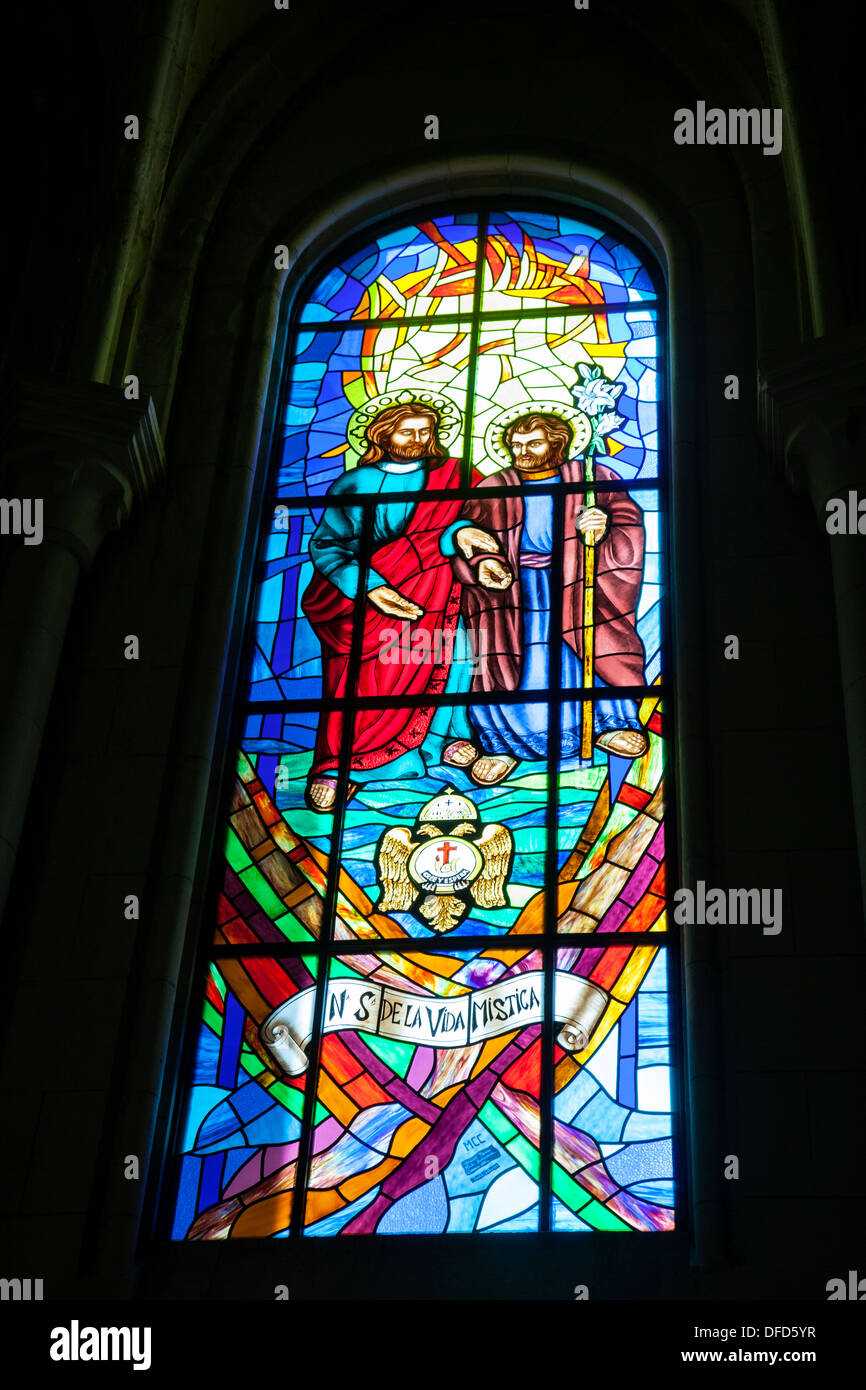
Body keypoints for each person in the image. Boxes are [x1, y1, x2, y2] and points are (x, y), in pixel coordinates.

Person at [301, 402, 503, 810]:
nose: (418, 440)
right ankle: (342, 765)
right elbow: (328, 545)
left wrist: (465, 538)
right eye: (407, 432)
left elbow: (484, 515)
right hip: (368, 599)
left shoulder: (455, 475)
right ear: (381, 434)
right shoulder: (355, 484)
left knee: (457, 659)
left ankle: (448, 740)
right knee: (364, 680)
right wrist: (371, 588)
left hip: (438, 592)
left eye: (425, 432)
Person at [447, 412, 649, 786]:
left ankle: (607, 724)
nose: (522, 452)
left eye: (533, 444)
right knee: (514, 663)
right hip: (512, 593)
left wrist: (602, 527)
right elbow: (465, 539)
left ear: (557, 444)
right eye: (516, 445)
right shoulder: (495, 486)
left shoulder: (594, 478)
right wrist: (484, 561)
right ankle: (503, 744)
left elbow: (627, 521)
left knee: (583, 646)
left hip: (578, 582)